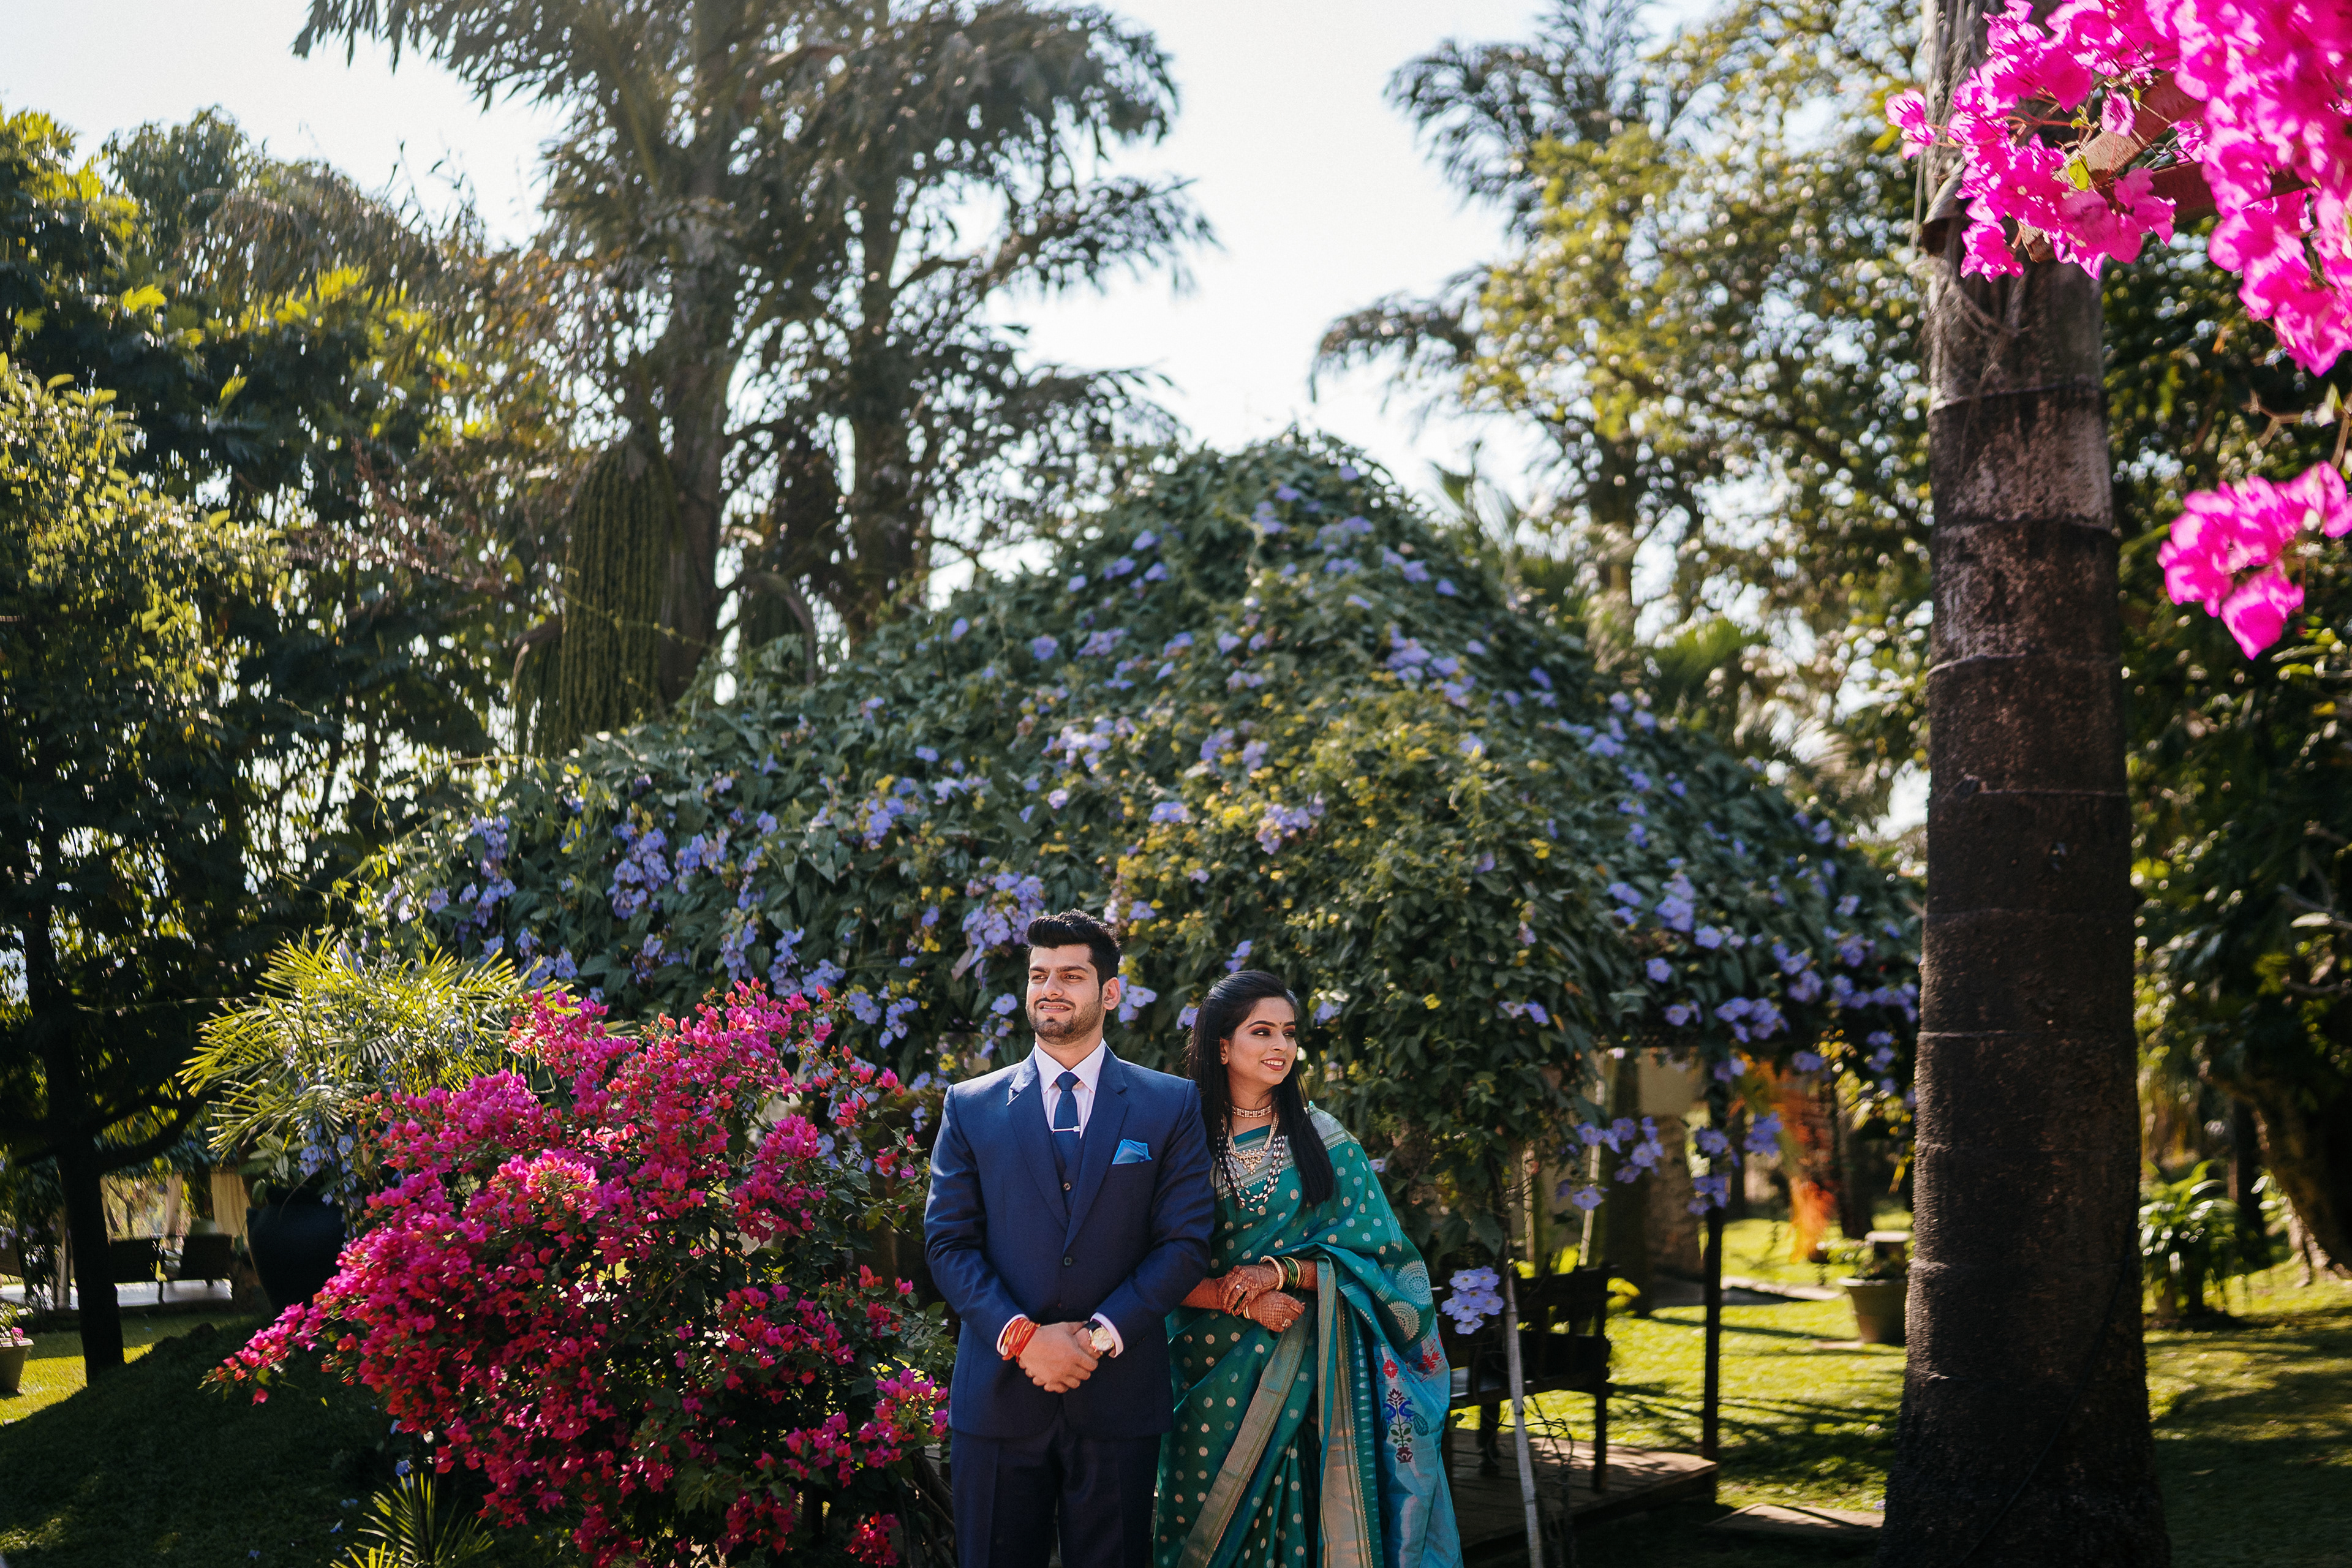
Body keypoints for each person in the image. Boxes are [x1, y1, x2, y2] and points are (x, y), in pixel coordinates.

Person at [926, 910, 1216, 1568]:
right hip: (998, 1398)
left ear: (1109, 992)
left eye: (1071, 975)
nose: (1051, 988)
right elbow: (947, 1244)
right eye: (1039, 975)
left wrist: (1098, 1337)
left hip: (1118, 1398)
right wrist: (1024, 1338)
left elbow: (1185, 1244)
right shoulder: (969, 1106)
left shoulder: (1169, 1104)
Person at [1155, 970, 1463, 1568]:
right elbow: (1147, 1260)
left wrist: (1281, 1274)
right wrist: (1243, 1299)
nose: (1281, 1046)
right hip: (1201, 1363)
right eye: (1262, 1031)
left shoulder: (1325, 1139)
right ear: (1223, 1046)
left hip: (1306, 1366)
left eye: (1289, 1033)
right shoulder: (1179, 1137)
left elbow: (1385, 1263)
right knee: (1197, 1527)